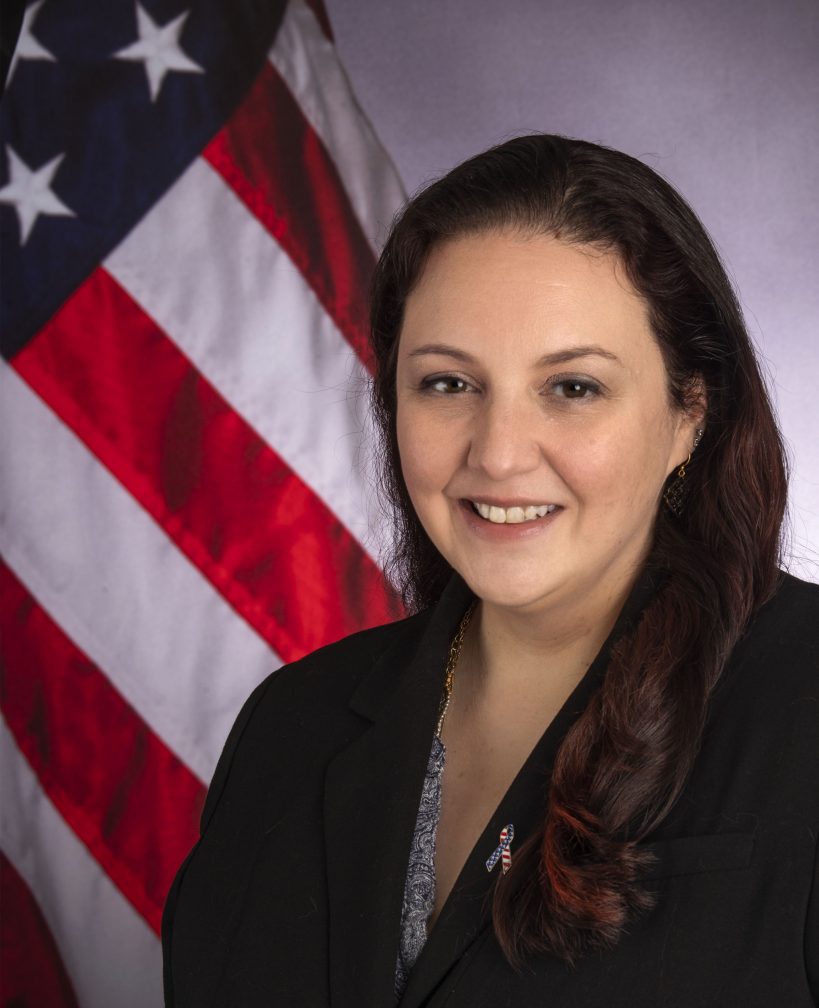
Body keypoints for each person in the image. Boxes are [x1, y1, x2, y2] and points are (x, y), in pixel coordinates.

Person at [162, 134, 819, 1007]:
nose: (499, 456)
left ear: (689, 415)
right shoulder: (290, 727)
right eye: (447, 384)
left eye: (572, 388)